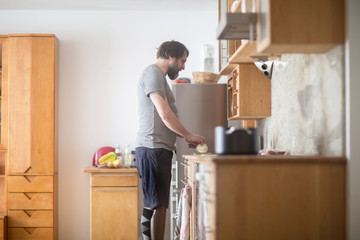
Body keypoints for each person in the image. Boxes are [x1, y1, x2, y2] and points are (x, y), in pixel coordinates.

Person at [136, 40, 205, 240]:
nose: (183, 66)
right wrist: (188, 135)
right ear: (171, 56)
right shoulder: (153, 73)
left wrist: (185, 135)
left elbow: (163, 119)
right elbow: (165, 115)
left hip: (155, 148)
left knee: (153, 203)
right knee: (160, 205)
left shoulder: (158, 77)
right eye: (183, 61)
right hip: (153, 148)